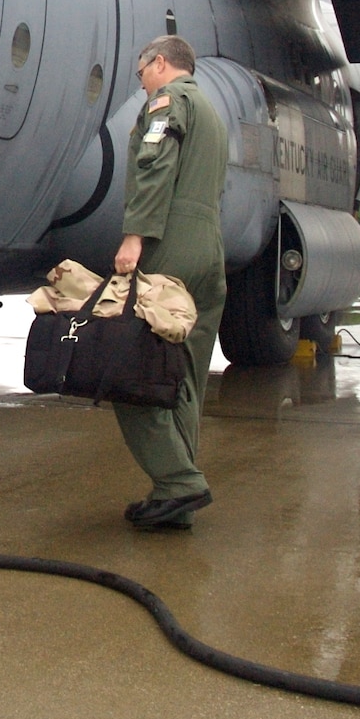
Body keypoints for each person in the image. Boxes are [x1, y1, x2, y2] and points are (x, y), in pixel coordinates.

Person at [113, 35, 228, 531]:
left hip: (170, 247)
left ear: (160, 63)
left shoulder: (171, 102)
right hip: (209, 251)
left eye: (141, 73)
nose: (140, 84)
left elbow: (154, 166)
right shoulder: (211, 111)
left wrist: (134, 236)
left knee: (133, 371)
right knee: (183, 377)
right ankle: (174, 491)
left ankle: (180, 482)